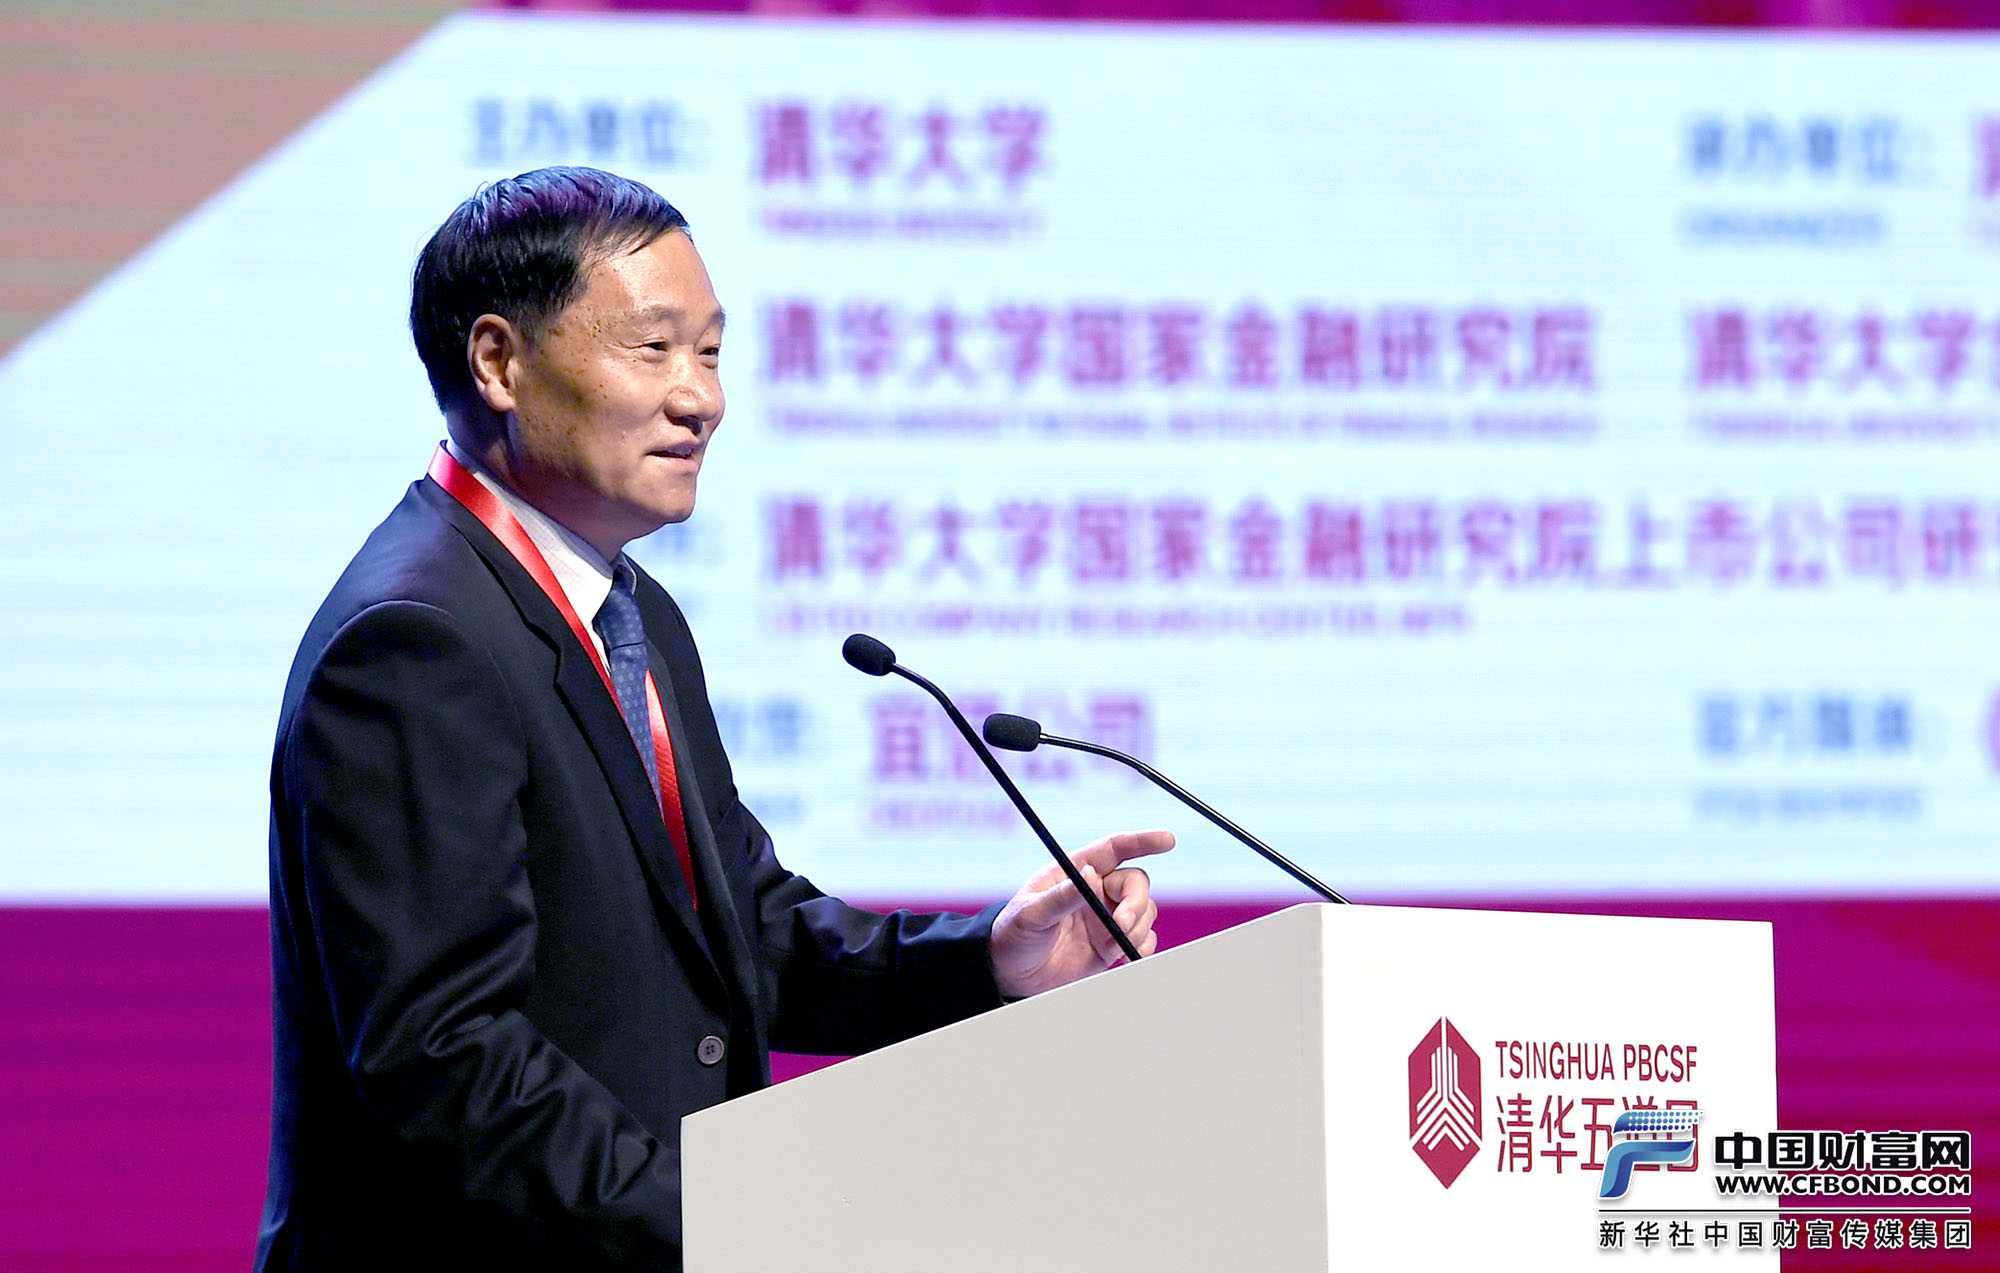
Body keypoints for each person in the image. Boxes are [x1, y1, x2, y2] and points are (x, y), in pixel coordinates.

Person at [256, 165, 1170, 1272]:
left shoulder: (629, 611)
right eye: (653, 348)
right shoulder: (416, 639)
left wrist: (985, 960)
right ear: (498, 362)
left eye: (711, 351)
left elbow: (742, 925)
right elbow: (449, 1059)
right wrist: (730, 1225)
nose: (701, 399)